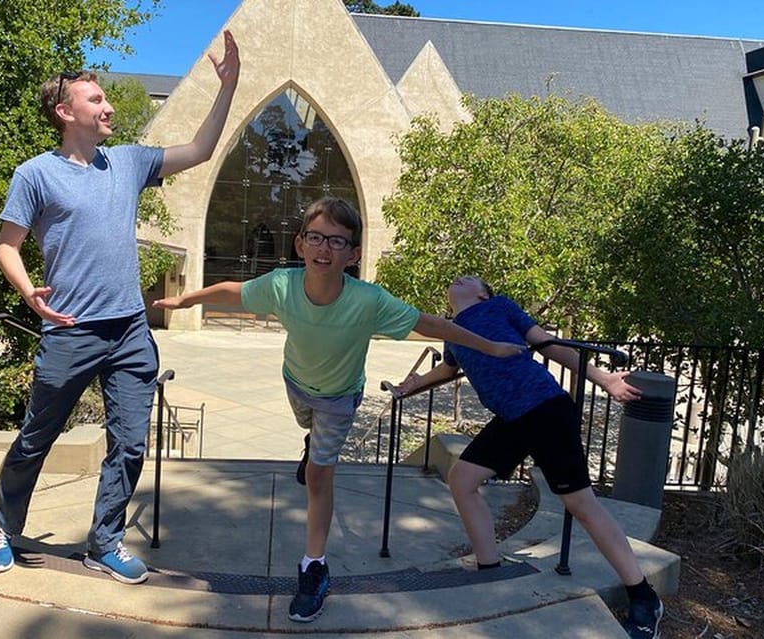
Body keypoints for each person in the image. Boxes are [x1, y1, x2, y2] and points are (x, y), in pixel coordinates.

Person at [153, 198, 523, 622]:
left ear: (354, 254)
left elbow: (432, 324)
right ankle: (311, 446)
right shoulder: (281, 285)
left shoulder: (369, 300)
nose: (324, 248)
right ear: (300, 244)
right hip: (295, 383)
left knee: (318, 475)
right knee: (309, 433)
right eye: (315, 237)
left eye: (337, 241)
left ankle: (314, 567)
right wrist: (186, 300)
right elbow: (233, 291)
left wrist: (490, 347)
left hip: (339, 398)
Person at [0, 31, 240, 585]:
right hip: (71, 330)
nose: (109, 107)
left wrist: (229, 87)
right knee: (36, 438)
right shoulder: (35, 174)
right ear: (64, 112)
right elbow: (7, 245)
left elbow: (200, 150)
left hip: (129, 332)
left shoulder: (128, 163)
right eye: (96, 99)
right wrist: (29, 293)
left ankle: (105, 542)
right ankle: (2, 526)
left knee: (129, 444)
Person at [395, 275, 663, 639]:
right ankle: (490, 568)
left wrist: (603, 379)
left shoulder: (499, 306)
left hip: (544, 407)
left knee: (580, 503)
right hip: (511, 419)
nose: (462, 276)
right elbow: (448, 370)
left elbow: (547, 344)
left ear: (482, 294)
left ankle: (644, 596)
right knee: (462, 479)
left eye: (472, 278)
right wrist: (413, 385)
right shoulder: (452, 331)